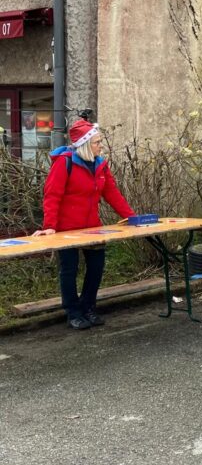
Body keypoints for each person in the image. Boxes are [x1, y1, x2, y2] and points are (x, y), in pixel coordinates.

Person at [33, 119, 136, 330]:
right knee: (69, 270)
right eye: (97, 142)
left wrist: (133, 218)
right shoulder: (65, 163)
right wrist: (49, 226)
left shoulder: (100, 164)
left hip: (92, 227)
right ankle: (73, 312)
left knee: (96, 266)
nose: (101, 146)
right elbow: (52, 195)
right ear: (86, 144)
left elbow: (112, 194)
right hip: (65, 229)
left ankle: (88, 306)